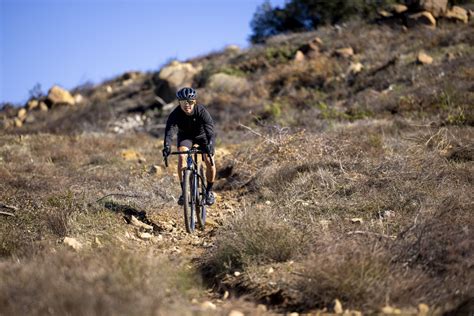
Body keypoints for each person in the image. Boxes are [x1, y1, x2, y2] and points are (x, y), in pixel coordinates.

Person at [162, 87, 216, 206]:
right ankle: (184, 192)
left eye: (190, 102)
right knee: (182, 158)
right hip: (186, 137)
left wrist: (210, 145)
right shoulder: (175, 114)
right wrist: (166, 145)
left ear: (194, 102)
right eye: (183, 102)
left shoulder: (201, 111)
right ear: (179, 102)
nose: (187, 105)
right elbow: (169, 131)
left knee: (209, 160)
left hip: (202, 137)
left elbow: (210, 131)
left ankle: (209, 191)